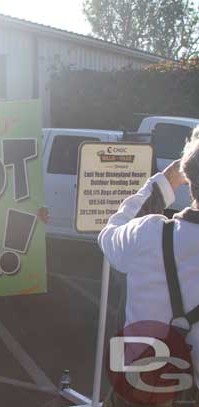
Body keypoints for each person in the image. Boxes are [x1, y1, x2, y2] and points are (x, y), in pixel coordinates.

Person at [99, 135, 199, 406]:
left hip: (142, 388)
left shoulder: (149, 234)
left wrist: (164, 183)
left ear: (190, 177)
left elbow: (110, 235)